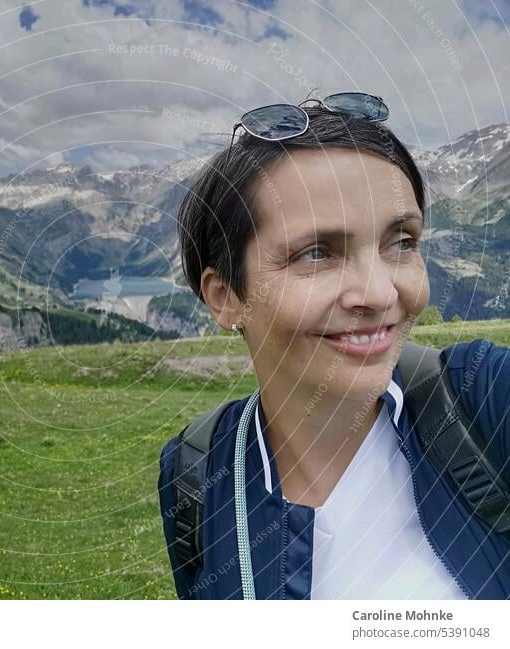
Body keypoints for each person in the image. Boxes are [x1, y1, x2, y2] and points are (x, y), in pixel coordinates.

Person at [158, 96, 510, 599]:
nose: (381, 293)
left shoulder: (485, 401)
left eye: (402, 242)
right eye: (317, 253)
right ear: (226, 297)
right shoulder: (196, 474)